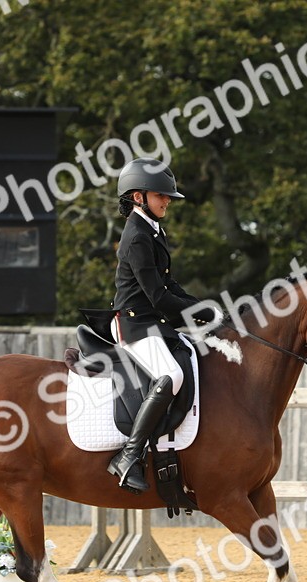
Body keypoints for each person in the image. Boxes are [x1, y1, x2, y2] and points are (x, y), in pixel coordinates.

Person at [106, 158, 222, 493]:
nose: (167, 200)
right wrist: (200, 314)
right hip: (134, 325)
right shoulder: (137, 236)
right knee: (171, 376)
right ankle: (129, 454)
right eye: (161, 195)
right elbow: (157, 296)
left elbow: (171, 286)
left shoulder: (153, 229)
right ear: (139, 196)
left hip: (151, 322)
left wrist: (204, 307)